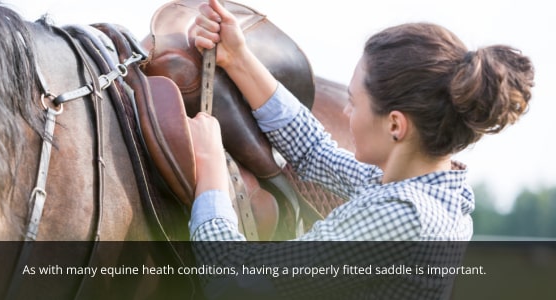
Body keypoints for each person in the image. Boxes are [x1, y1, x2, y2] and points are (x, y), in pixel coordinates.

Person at [186, 0, 534, 299]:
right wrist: (239, 57)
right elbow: (314, 152)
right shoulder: (430, 191)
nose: (347, 112)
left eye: (354, 101)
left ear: (395, 125)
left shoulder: (404, 218)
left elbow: (235, 285)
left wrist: (210, 165)